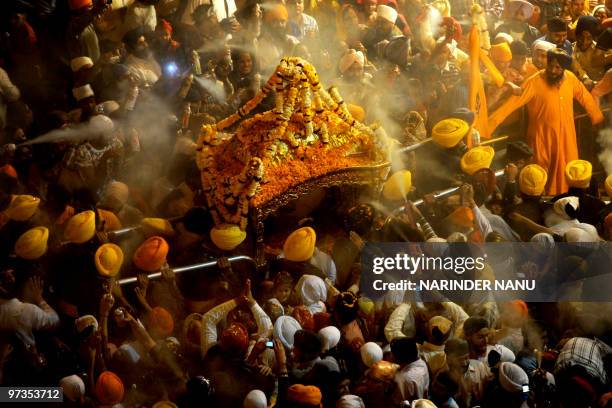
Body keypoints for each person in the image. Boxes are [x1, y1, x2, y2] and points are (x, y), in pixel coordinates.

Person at [488, 49, 603, 194]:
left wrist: (597, 118)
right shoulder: (534, 81)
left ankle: (565, 197)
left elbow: (585, 98)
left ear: (564, 69)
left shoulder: (571, 78)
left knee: (567, 169)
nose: (553, 71)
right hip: (542, 137)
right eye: (550, 66)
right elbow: (512, 104)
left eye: (558, 68)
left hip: (567, 137)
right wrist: (489, 125)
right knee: (541, 172)